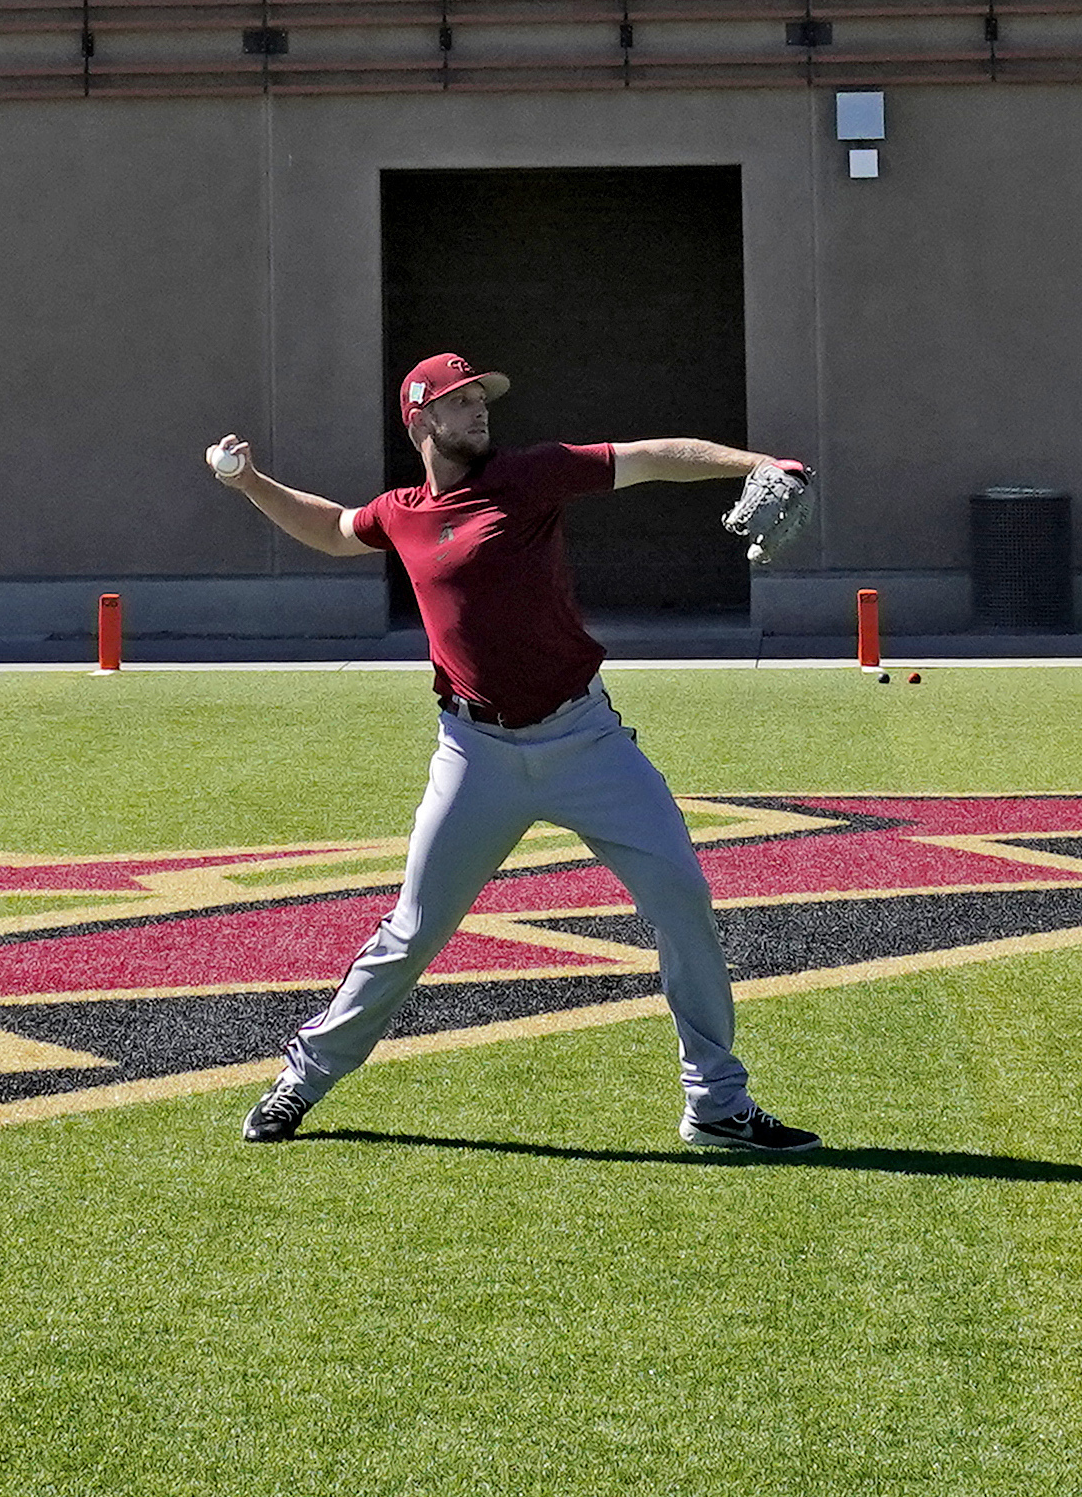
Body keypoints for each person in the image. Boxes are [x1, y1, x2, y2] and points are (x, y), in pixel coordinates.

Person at [202, 353, 820, 1156]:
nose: (479, 410)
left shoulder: (531, 476)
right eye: (459, 402)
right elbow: (329, 526)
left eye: (481, 398)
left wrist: (758, 464)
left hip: (585, 740)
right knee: (413, 930)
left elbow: (654, 454)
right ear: (420, 419)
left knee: (683, 906)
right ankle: (304, 1076)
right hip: (473, 752)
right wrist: (251, 481)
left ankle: (716, 1100)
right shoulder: (402, 511)